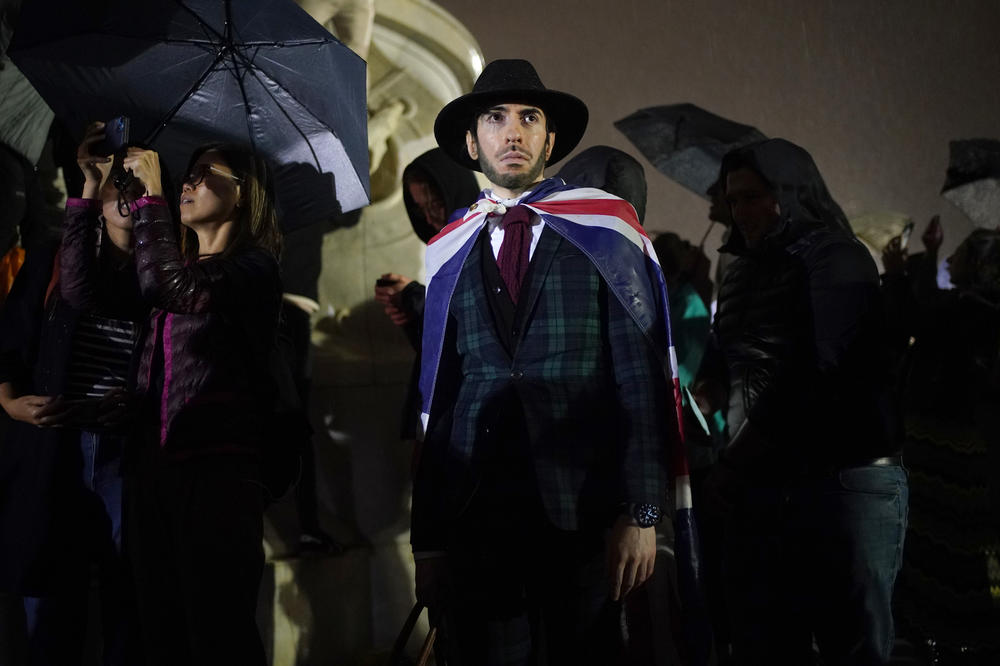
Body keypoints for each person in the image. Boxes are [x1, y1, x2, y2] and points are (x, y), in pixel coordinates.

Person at [411, 59, 680, 664]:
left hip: (581, 510)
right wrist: (428, 544)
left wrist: (641, 512)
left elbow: (637, 380)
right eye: (495, 118)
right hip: (478, 512)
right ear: (470, 140)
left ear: (549, 140)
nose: (513, 132)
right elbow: (436, 397)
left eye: (529, 118)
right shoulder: (447, 248)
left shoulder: (605, 229)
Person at [702, 139, 907, 665]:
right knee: (765, 643)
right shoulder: (742, 267)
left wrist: (737, 458)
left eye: (754, 197)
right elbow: (732, 361)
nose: (741, 212)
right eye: (734, 199)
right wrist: (704, 392)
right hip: (765, 484)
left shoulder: (836, 256)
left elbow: (820, 373)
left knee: (851, 647)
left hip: (841, 481)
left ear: (790, 194)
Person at [120, 143, 282, 666]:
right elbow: (83, 291)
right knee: (160, 636)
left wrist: (152, 197)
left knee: (218, 636)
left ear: (242, 195)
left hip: (217, 474)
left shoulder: (254, 268)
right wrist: (87, 190)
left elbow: (172, 288)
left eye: (203, 175)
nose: (184, 185)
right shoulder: (178, 265)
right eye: (183, 176)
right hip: (153, 470)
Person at [0, 120, 155, 665]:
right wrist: (9, 401)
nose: (126, 197)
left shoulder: (159, 270)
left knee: (127, 599)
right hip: (54, 445)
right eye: (118, 184)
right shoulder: (53, 255)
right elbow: (10, 339)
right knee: (49, 608)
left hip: (123, 452)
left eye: (137, 187)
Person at [883, 222, 1000, 662]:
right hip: (958, 443)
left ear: (981, 266)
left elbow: (912, 318)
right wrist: (928, 254)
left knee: (939, 541)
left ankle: (943, 634)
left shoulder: (969, 309)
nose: (953, 262)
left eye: (963, 254)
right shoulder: (981, 309)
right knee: (959, 537)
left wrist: (896, 272)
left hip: (940, 445)